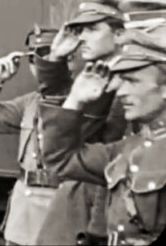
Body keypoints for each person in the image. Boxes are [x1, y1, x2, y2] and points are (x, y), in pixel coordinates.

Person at [41, 29, 166, 246]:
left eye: (132, 81)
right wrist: (75, 100)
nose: (121, 92)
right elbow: (60, 159)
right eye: (121, 81)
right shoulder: (126, 149)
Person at [34, 0, 128, 245]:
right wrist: (55, 60)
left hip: (106, 208)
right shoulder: (97, 76)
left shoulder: (131, 82)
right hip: (81, 203)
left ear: (120, 34)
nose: (82, 37)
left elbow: (84, 139)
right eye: (80, 29)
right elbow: (65, 132)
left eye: (92, 29)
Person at [0, 25, 66, 246]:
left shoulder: (82, 100)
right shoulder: (30, 103)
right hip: (24, 213)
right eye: (32, 59)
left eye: (46, 56)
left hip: (60, 209)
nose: (38, 65)